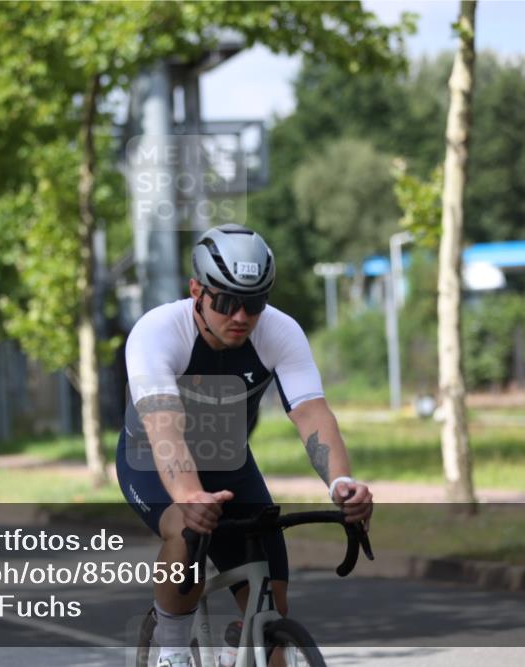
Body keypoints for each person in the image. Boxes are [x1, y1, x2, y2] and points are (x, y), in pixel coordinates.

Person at [116, 224, 373, 667]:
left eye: (253, 303)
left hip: (229, 461)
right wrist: (191, 499)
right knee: (186, 526)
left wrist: (342, 483)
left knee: (273, 612)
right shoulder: (157, 332)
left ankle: (247, 642)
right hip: (153, 459)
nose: (240, 316)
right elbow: (165, 428)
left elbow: (311, 414)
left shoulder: (279, 331)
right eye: (227, 301)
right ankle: (173, 649)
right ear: (196, 290)